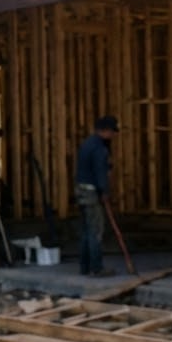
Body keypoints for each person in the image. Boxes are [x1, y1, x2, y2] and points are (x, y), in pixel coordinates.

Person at [74, 114, 119, 276]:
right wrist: (105, 192)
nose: (114, 135)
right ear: (105, 131)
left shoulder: (87, 144)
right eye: (112, 132)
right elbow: (101, 172)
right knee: (96, 230)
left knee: (86, 230)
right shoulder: (100, 148)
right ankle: (96, 268)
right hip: (92, 192)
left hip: (81, 190)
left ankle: (84, 267)